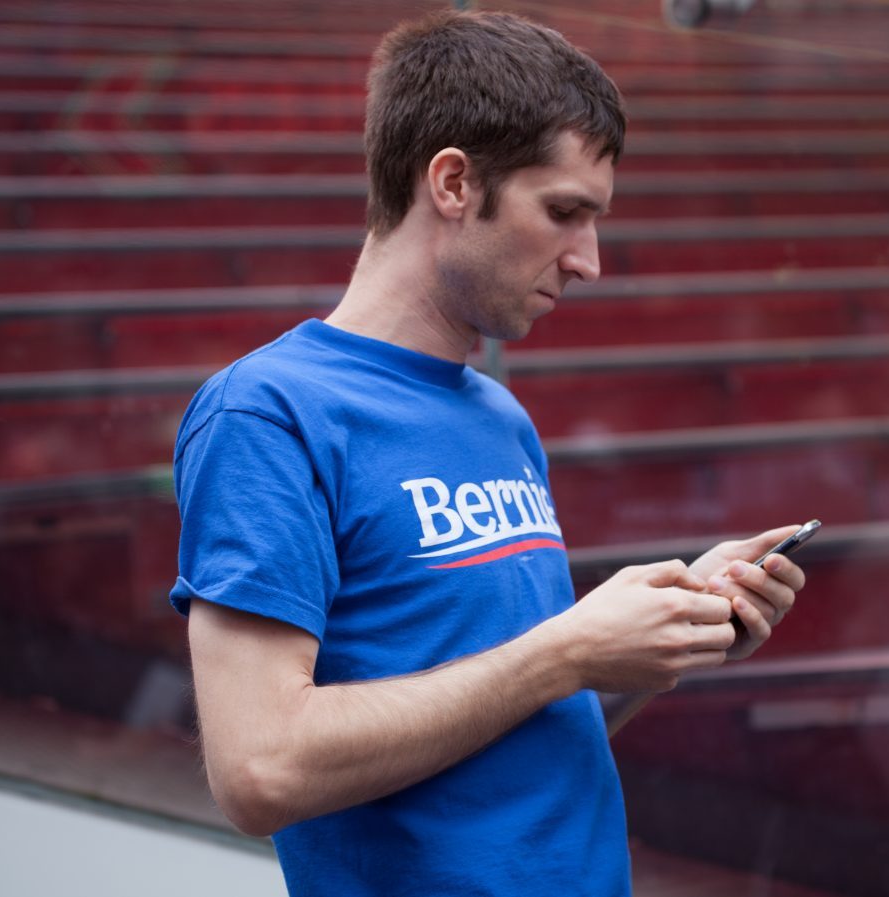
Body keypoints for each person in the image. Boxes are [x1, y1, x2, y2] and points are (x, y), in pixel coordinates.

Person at [170, 10, 806, 896]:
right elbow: (261, 769)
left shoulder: (499, 415)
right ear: (455, 183)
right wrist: (567, 650)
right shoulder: (267, 413)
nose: (587, 260)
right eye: (563, 213)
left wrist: (658, 637)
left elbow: (512, 716)